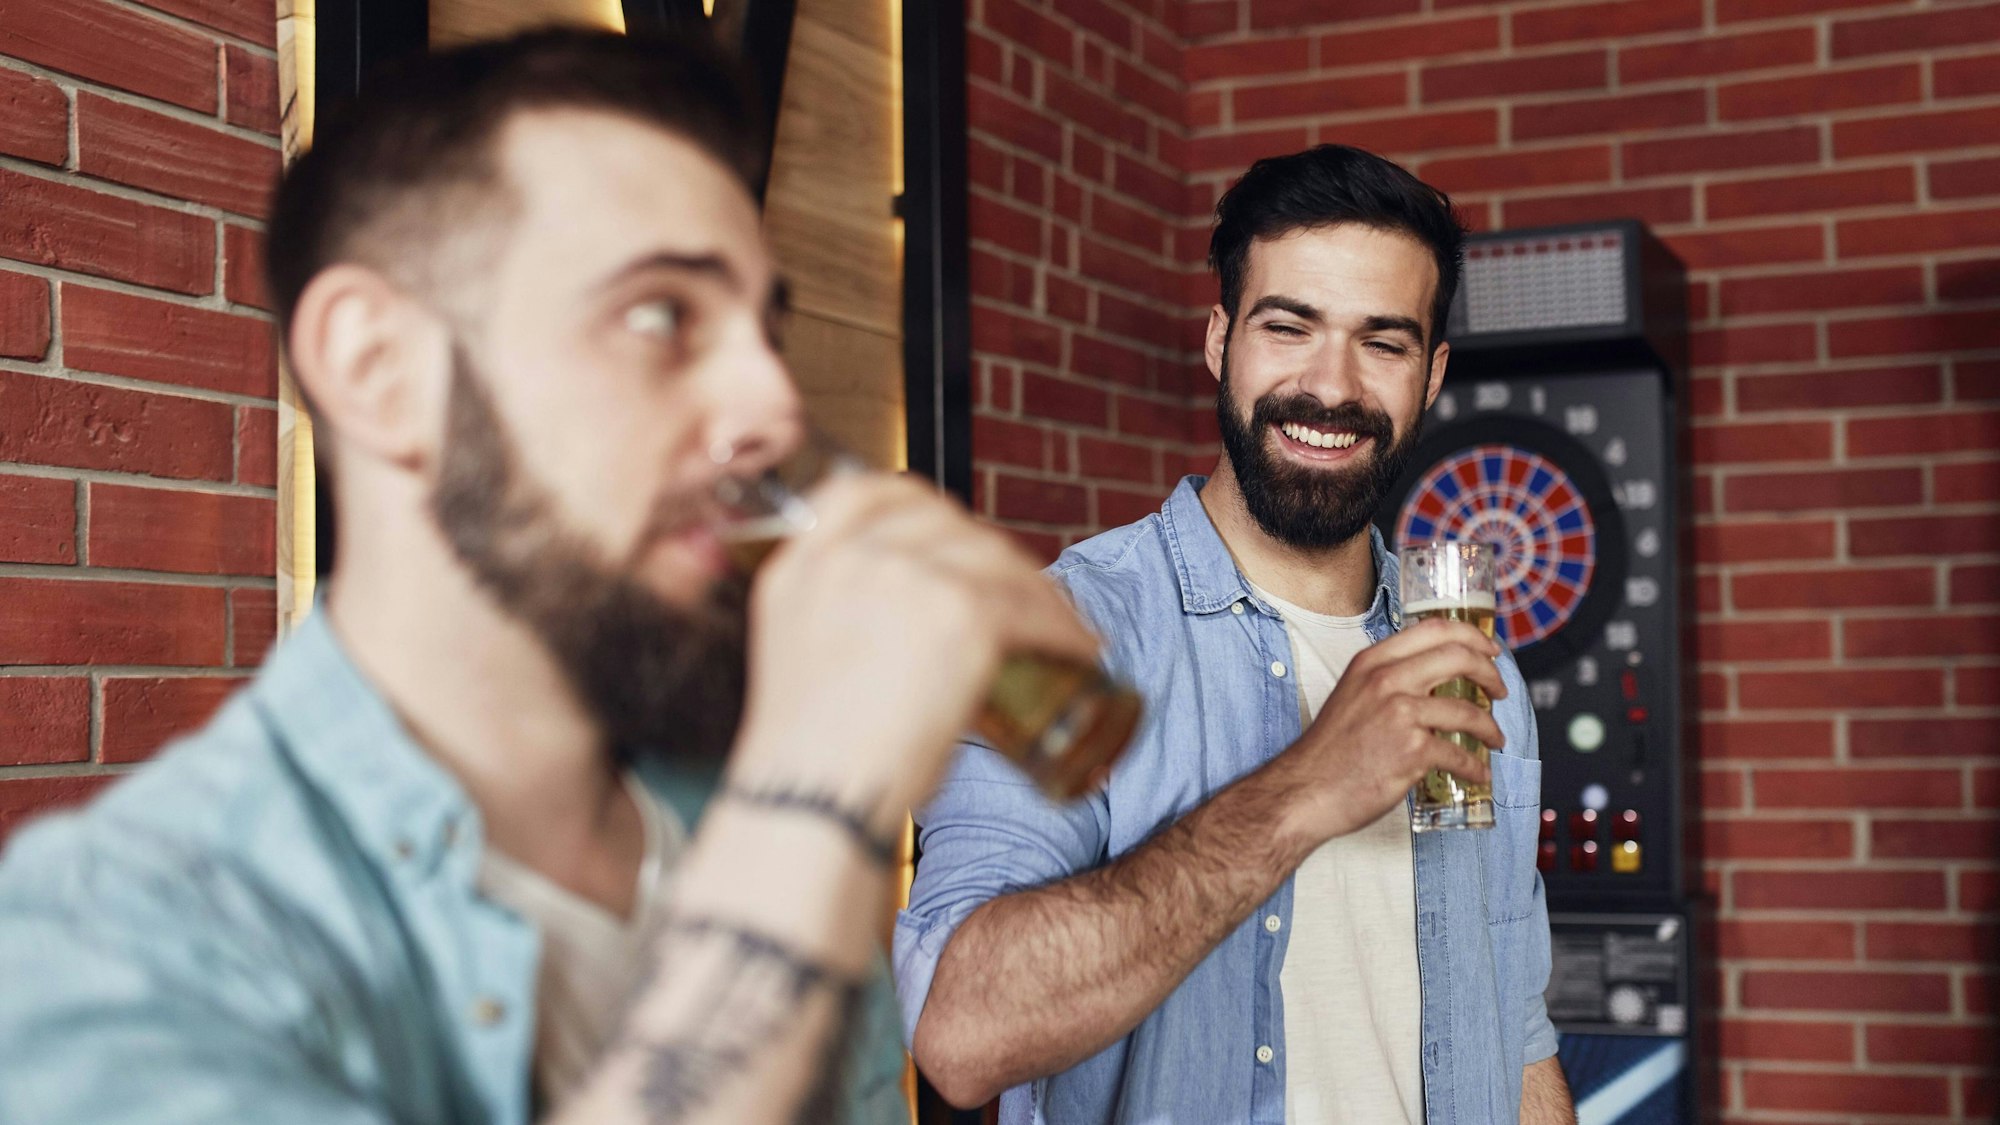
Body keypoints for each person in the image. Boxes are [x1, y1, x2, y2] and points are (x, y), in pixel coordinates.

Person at [0, 30, 1102, 1125]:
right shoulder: (115, 944)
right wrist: (813, 793)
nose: (773, 402)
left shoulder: (723, 818)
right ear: (378, 368)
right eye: (661, 312)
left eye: (765, 329)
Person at [896, 144, 1575, 1124]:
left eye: (1380, 343)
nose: (1330, 386)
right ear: (1220, 341)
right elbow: (960, 1035)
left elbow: (1510, 1029)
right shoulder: (1055, 638)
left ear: (1430, 376)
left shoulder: (1471, 668)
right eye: (1287, 326)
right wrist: (1307, 785)